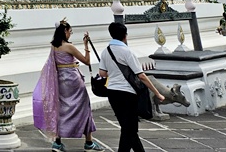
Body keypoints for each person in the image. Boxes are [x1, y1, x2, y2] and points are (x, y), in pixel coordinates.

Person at [32, 20, 100, 151]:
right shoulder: (69, 46)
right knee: (85, 108)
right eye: (70, 31)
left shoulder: (54, 46)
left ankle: (57, 141)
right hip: (73, 80)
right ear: (65, 32)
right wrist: (86, 45)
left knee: (60, 109)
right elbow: (86, 61)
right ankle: (89, 142)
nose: (70, 34)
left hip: (60, 80)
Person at [97, 22, 165, 152]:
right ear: (125, 35)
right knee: (130, 129)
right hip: (127, 93)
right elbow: (142, 76)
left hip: (112, 92)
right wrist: (157, 93)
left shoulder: (106, 51)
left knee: (128, 128)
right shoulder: (127, 52)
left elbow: (102, 73)